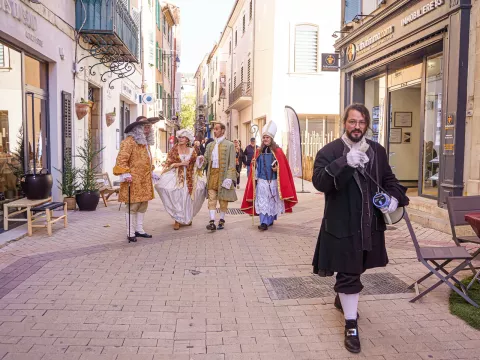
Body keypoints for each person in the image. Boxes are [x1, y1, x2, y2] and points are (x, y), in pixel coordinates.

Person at [312, 104, 409, 354]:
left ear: (367, 125)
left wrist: (394, 198)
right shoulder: (329, 151)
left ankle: (343, 297)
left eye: (362, 122)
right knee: (349, 273)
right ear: (344, 122)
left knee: (359, 267)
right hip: (341, 225)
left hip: (369, 225)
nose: (357, 127)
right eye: (352, 121)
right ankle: (351, 325)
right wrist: (344, 162)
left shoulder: (377, 150)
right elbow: (320, 183)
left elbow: (390, 181)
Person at [241, 121, 298, 230]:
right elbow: (255, 167)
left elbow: (284, 168)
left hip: (273, 181)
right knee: (262, 201)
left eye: (267, 137)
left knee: (272, 200)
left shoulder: (278, 151)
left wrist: (278, 168)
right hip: (262, 181)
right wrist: (254, 164)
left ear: (271, 139)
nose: (265, 139)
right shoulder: (258, 151)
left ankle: (270, 220)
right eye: (264, 137)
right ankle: (263, 222)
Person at [113, 116, 160, 243]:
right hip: (132, 180)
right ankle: (130, 232)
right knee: (133, 206)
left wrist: (151, 171)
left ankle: (139, 229)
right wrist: (125, 174)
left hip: (144, 180)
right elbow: (121, 160)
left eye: (149, 127)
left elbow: (146, 160)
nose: (148, 129)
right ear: (137, 128)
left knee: (143, 204)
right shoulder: (129, 141)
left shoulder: (144, 143)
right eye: (145, 126)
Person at [155, 129, 206, 230]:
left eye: (183, 137)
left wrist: (200, 160)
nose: (181, 139)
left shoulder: (192, 150)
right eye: (180, 137)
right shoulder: (174, 149)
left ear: (187, 139)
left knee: (188, 197)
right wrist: (181, 164)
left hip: (190, 178)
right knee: (177, 197)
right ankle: (177, 220)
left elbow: (196, 164)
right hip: (177, 177)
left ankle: (187, 217)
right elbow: (168, 163)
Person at [202, 122, 237, 231]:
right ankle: (212, 221)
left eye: (217, 129)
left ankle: (221, 219)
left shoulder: (230, 145)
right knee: (211, 199)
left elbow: (232, 163)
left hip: (224, 175)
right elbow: (205, 160)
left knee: (223, 200)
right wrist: (199, 161)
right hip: (212, 175)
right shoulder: (210, 145)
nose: (215, 131)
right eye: (214, 129)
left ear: (222, 130)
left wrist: (229, 177)